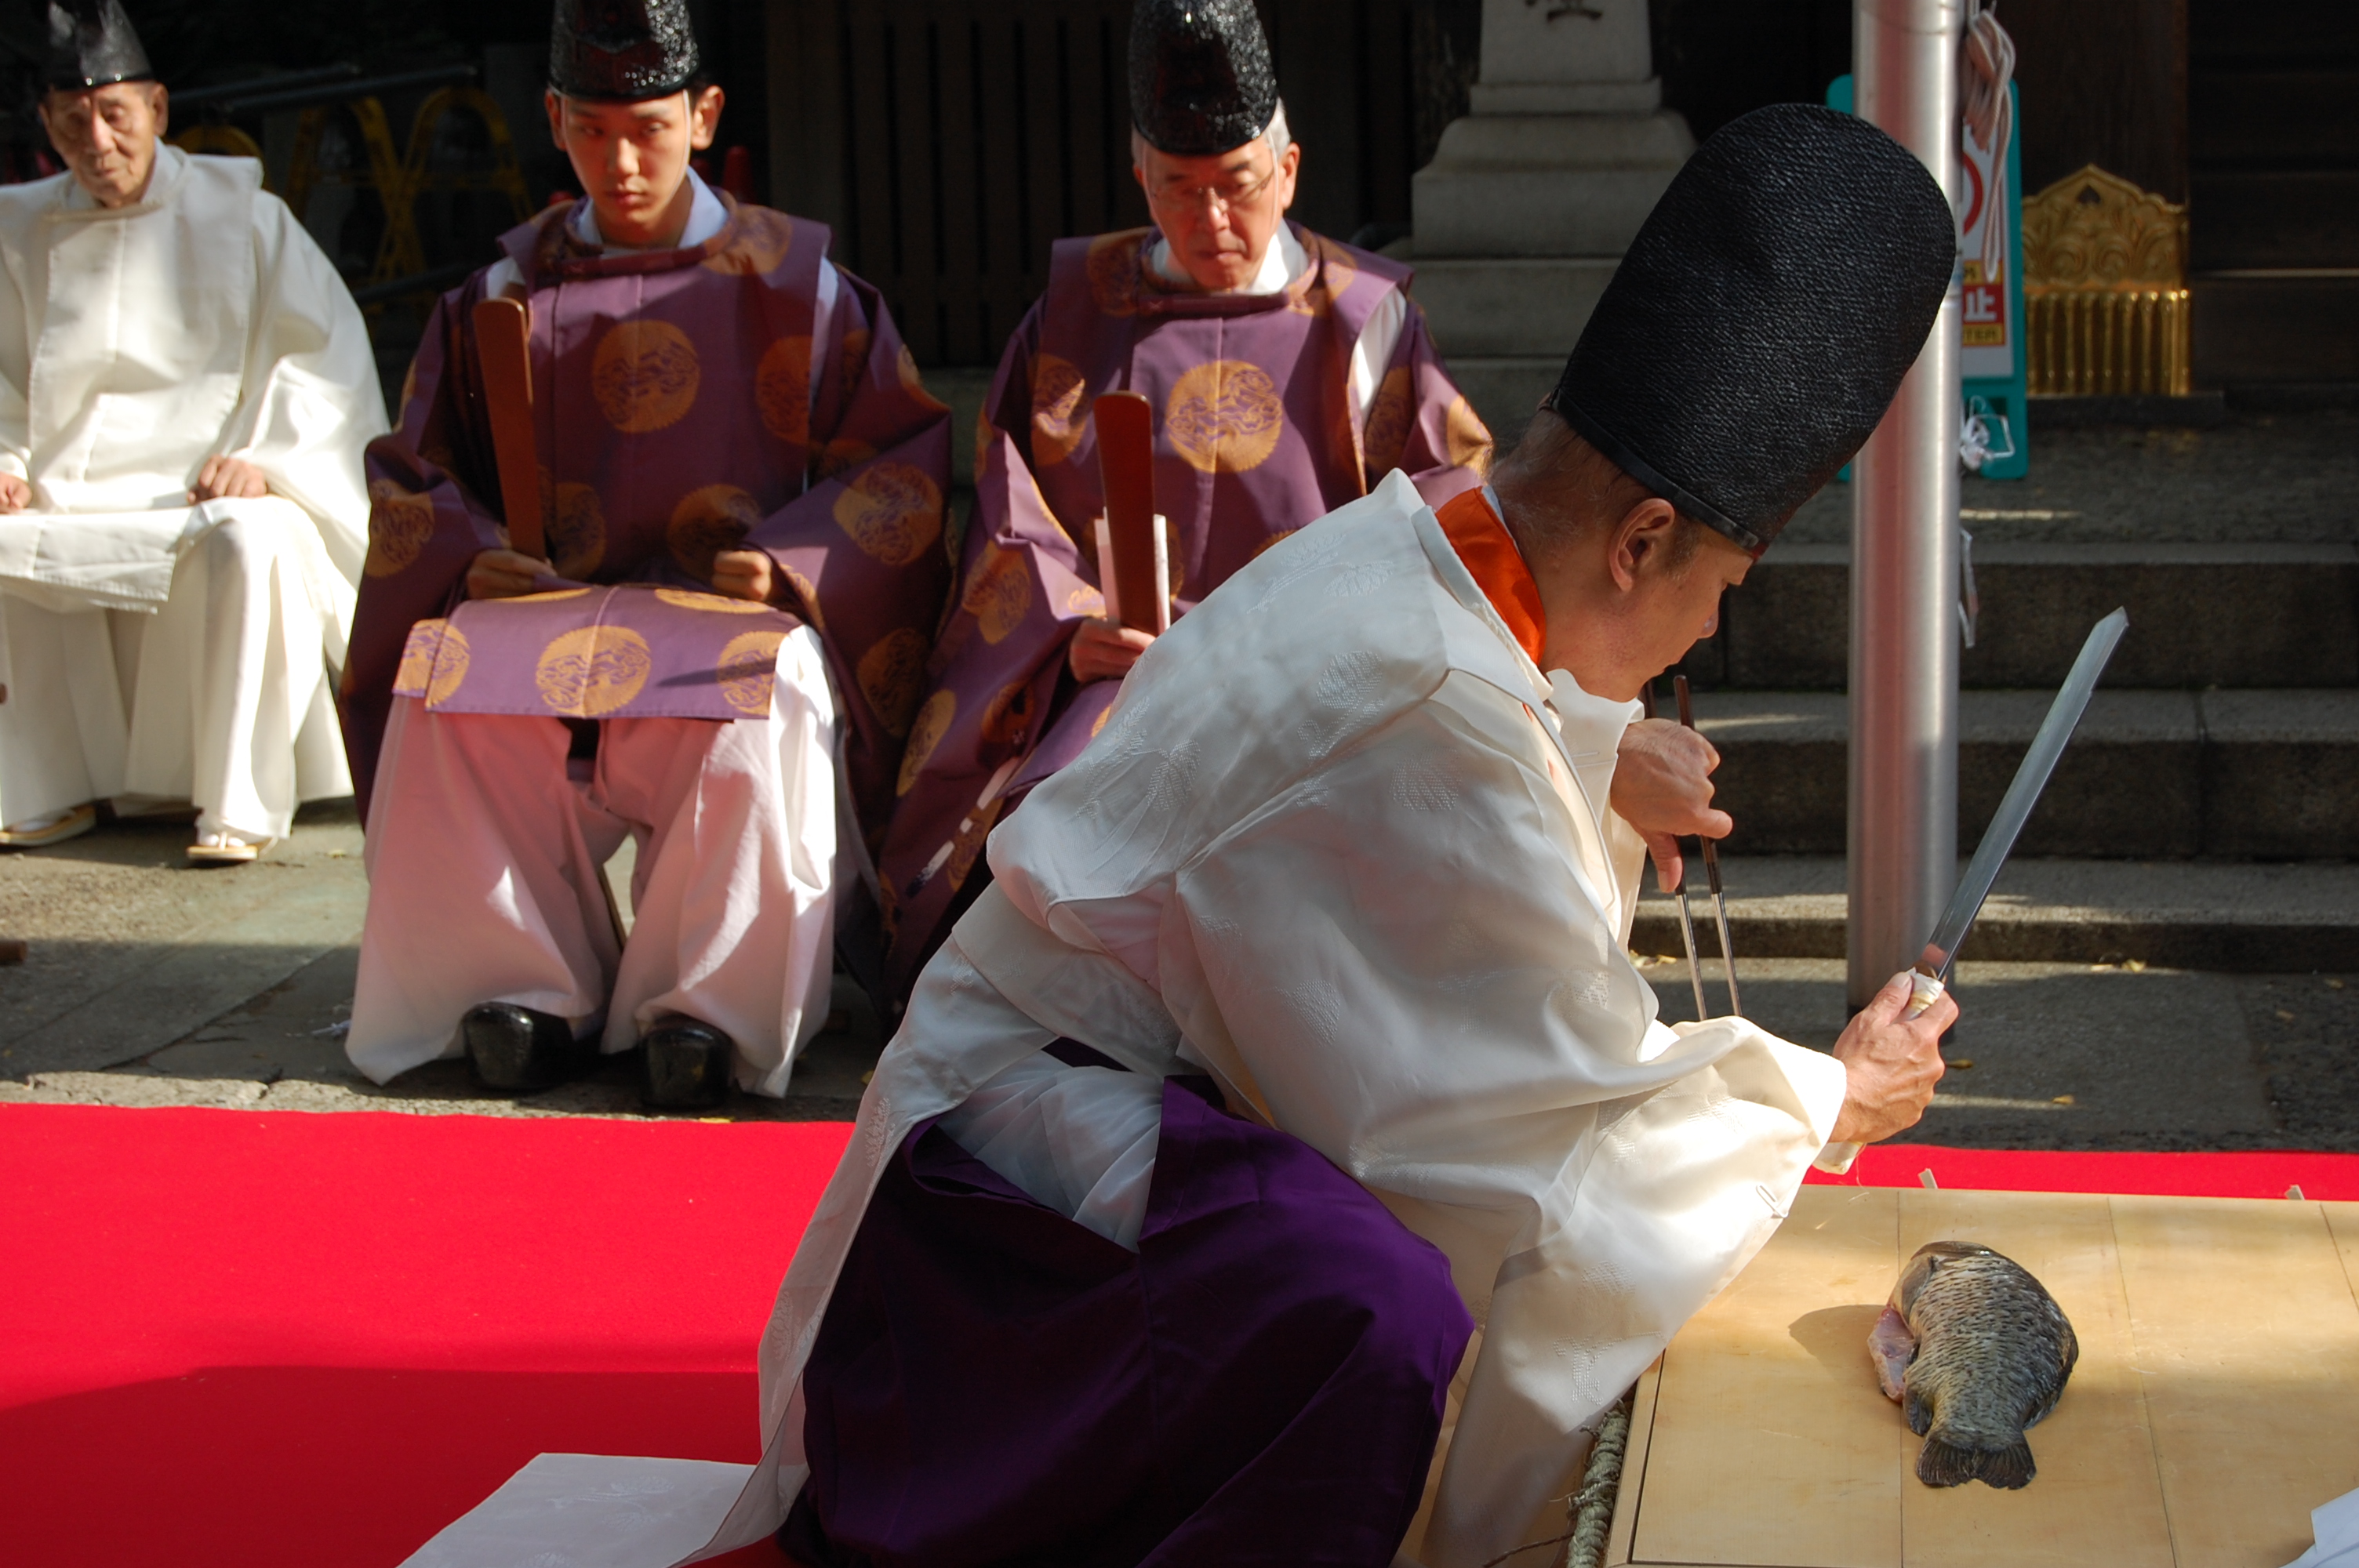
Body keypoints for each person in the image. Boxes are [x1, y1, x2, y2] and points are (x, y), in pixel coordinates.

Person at [704, 103, 1961, 1568]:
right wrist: (1826, 1096)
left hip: (1044, 1102)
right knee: (1376, 1302)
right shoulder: (1427, 707)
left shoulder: (1405, 536)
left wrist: (1600, 744)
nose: (1707, 626)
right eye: (1719, 587)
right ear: (1640, 541)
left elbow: (1460, 719)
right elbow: (1563, 1152)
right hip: (984, 1239)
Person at [340, 0, 951, 1109]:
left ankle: (703, 1008)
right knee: (443, 680)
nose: (621, 162)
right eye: (594, 130)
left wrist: (795, 562)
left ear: (705, 114)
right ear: (554, 120)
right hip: (542, 625)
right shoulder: (500, 293)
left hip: (723, 634)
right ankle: (520, 985)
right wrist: (471, 555)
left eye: (651, 129)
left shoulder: (801, 285)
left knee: (782, 692)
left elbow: (898, 470)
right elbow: (412, 475)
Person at [873, 0, 1496, 995]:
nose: (1211, 221)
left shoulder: (1366, 323)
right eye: (1179, 189)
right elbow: (1009, 511)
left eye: (1237, 187)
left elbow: (1444, 517)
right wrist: (1066, 629)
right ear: (1140, 180)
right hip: (1116, 674)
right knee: (1072, 802)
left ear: (1286, 170)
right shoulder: (1073, 315)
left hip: (1306, 676)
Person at [0, 0, 384, 862]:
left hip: (201, 485)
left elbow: (324, 360)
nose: (96, 141)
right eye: (72, 123)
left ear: (158, 110)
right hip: (61, 489)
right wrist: (5, 458)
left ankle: (237, 801)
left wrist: (265, 457)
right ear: (46, 126)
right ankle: (42, 787)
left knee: (254, 538)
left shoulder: (243, 214)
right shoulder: (12, 228)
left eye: (114, 115)